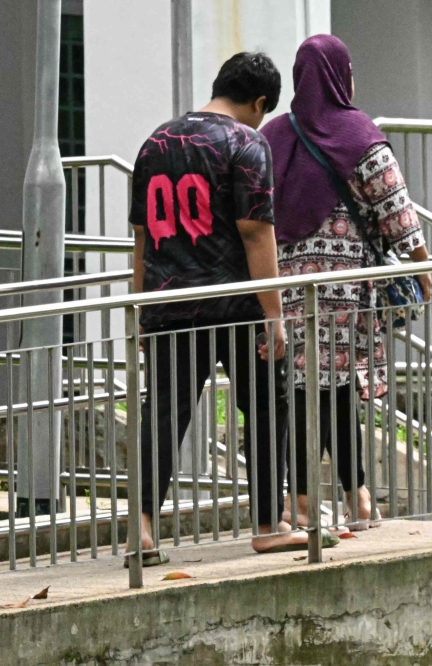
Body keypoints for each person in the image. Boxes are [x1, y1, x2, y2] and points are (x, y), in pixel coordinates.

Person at [130, 52, 330, 563]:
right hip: (236, 306)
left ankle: (143, 529)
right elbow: (255, 230)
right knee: (266, 408)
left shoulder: (156, 142)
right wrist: (275, 313)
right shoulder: (247, 142)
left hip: (168, 303)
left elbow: (141, 239)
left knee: (164, 415)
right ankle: (268, 523)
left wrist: (139, 306)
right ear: (260, 101)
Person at [261, 35, 432, 532]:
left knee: (301, 389)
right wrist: (420, 263)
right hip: (346, 289)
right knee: (336, 388)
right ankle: (353, 498)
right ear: (339, 75)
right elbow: (394, 204)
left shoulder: (273, 137)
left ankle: (307, 499)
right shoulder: (358, 131)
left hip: (287, 290)